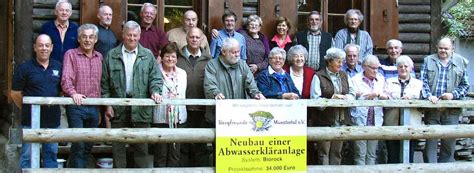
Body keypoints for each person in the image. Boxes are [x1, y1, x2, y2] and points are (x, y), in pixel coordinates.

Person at [101, 21, 163, 168]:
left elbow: (156, 78)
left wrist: (155, 91)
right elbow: (104, 84)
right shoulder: (112, 55)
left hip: (141, 107)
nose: (132, 38)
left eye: (135, 35)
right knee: (118, 149)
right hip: (118, 107)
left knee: (141, 149)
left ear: (140, 36)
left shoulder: (147, 55)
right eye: (129, 35)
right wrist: (108, 105)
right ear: (123, 35)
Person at [11, 34, 62, 168]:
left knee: (51, 155)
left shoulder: (58, 66)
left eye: (46, 45)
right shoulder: (25, 68)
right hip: (30, 121)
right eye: (40, 45)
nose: (43, 48)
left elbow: (62, 90)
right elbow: (15, 93)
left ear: (51, 48)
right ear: (35, 48)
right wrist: (28, 108)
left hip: (52, 121)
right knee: (27, 156)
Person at [421, 37, 469, 163]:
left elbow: (465, 85)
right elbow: (423, 82)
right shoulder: (428, 60)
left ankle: (445, 169)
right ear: (437, 47)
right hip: (432, 107)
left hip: (451, 109)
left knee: (449, 142)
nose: (443, 50)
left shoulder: (461, 62)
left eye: (446, 48)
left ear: (452, 49)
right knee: (431, 140)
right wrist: (428, 96)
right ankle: (430, 170)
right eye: (440, 48)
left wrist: (453, 95)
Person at [61, 24, 102, 168]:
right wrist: (73, 94)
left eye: (91, 37)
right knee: (78, 144)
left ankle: (78, 169)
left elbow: (101, 84)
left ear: (96, 39)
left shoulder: (99, 57)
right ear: (79, 38)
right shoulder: (71, 54)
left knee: (89, 144)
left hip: (94, 108)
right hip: (76, 107)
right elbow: (66, 79)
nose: (87, 40)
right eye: (84, 36)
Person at [310, 47, 356, 165]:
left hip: (340, 121)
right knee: (323, 152)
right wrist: (331, 100)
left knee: (337, 152)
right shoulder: (318, 76)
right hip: (324, 121)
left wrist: (346, 98)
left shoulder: (344, 75)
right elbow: (315, 99)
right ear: (329, 61)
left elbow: (352, 93)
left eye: (342, 61)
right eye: (338, 61)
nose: (341, 64)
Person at [204, 38, 265, 122]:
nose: (237, 55)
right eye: (233, 52)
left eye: (238, 52)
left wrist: (256, 93)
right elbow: (209, 85)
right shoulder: (212, 65)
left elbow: (251, 84)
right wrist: (216, 93)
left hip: (239, 116)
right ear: (224, 52)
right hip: (219, 116)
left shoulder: (243, 64)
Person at [176, 27, 212, 167]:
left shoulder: (209, 59)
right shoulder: (178, 57)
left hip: (202, 109)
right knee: (184, 146)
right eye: (192, 37)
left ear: (201, 39)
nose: (194, 40)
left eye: (197, 37)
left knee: (200, 146)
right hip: (183, 109)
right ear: (186, 38)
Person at [153, 43, 187, 167]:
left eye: (173, 56)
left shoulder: (182, 73)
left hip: (178, 118)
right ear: (162, 57)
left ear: (177, 58)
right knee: (160, 153)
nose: (170, 59)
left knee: (175, 153)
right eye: (167, 56)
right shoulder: (155, 71)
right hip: (161, 117)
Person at [384, 55, 423, 163]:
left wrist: (412, 99)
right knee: (392, 156)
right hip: (392, 124)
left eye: (406, 66)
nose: (403, 68)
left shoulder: (418, 84)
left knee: (409, 157)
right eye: (400, 66)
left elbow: (422, 102)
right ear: (397, 68)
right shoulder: (389, 82)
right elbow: (385, 100)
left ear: (411, 68)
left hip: (412, 125)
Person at [351, 55, 389, 165]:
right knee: (360, 153)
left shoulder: (381, 79)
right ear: (364, 67)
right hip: (360, 120)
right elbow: (352, 97)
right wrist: (368, 96)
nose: (375, 71)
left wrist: (382, 96)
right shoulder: (355, 80)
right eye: (372, 68)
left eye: (377, 68)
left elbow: (389, 96)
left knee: (372, 153)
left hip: (375, 120)